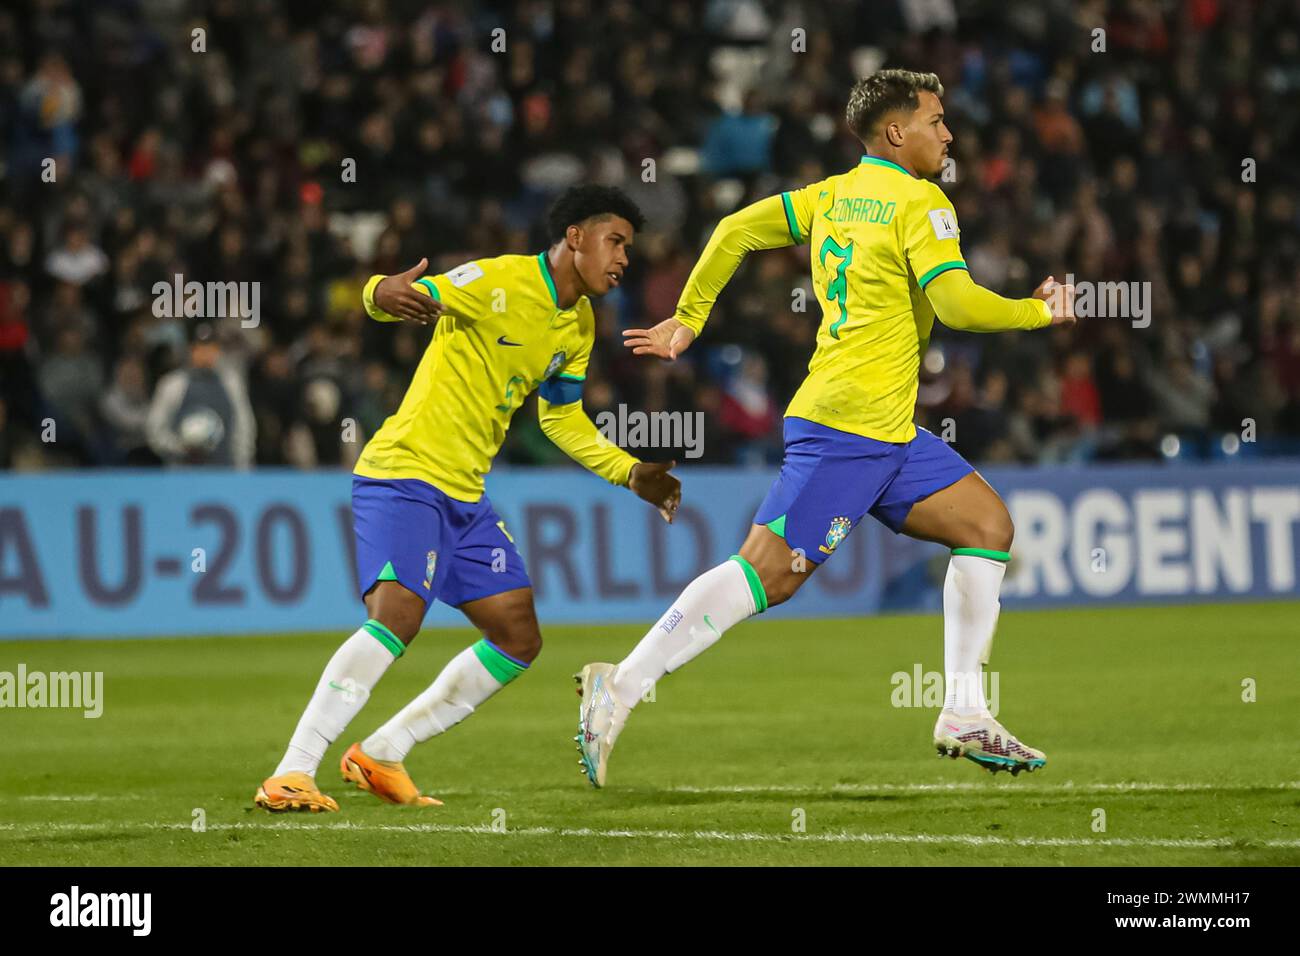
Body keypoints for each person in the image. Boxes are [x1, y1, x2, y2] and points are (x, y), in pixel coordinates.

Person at [575, 70, 1076, 787]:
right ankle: (618, 687)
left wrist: (690, 316)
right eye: (936, 121)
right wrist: (1037, 312)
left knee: (986, 526)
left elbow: (734, 228)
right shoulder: (921, 201)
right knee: (766, 576)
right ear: (896, 132)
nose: (949, 134)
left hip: (888, 431)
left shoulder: (832, 196)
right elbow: (959, 305)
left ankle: (964, 710)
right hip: (849, 427)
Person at [255, 185, 681, 812]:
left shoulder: (579, 324)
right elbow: (401, 296)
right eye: (615, 241)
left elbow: (560, 420)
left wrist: (628, 472)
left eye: (628, 247)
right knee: (397, 615)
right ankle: (292, 771)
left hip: (464, 495)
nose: (623, 259)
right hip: (404, 473)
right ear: (575, 238)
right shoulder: (497, 281)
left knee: (517, 635)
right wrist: (379, 292)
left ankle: (383, 751)